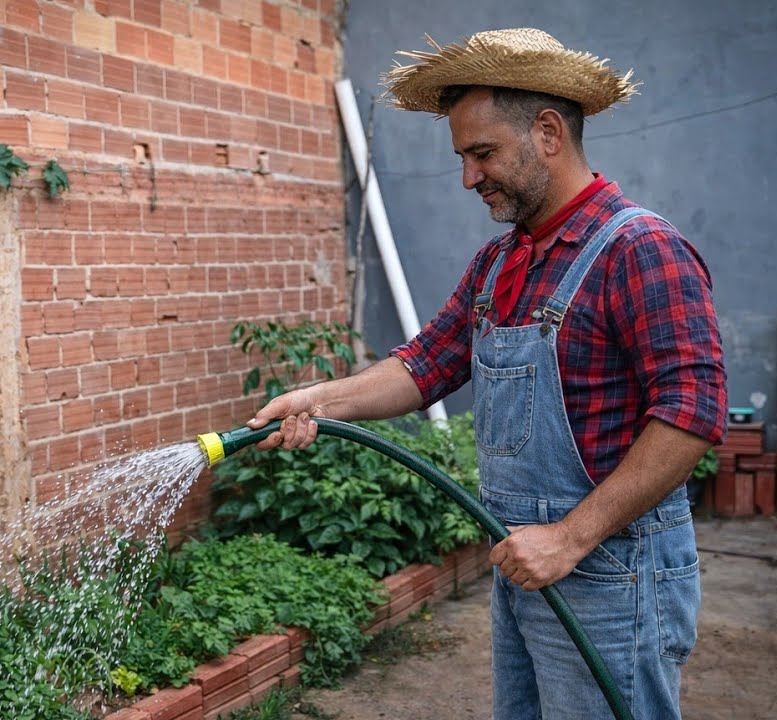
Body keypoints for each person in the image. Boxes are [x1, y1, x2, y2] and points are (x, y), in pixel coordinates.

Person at [247, 28, 727, 719]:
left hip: (613, 574)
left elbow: (692, 413)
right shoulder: (500, 263)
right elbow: (426, 365)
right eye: (463, 158)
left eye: (483, 153)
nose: (469, 176)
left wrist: (569, 538)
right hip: (526, 562)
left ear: (549, 133)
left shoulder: (641, 249)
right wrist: (319, 400)